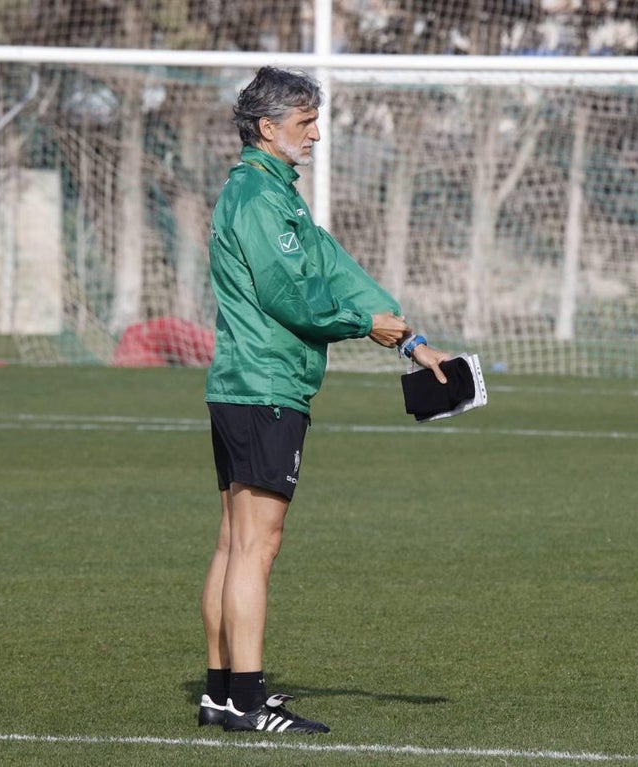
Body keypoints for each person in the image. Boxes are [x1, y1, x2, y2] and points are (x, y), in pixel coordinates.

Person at [196, 66, 450, 734]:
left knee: (235, 543)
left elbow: (334, 266)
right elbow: (292, 296)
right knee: (256, 547)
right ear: (266, 127)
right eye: (305, 121)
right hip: (266, 387)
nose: (315, 133)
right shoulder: (257, 197)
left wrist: (411, 340)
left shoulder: (274, 193)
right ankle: (246, 700)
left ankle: (222, 693)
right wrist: (365, 325)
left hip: (246, 386)